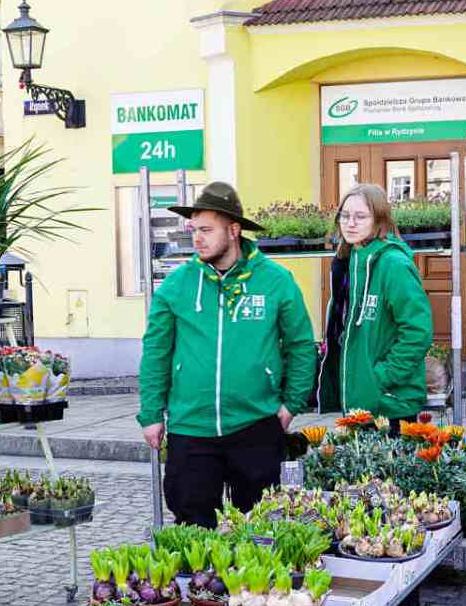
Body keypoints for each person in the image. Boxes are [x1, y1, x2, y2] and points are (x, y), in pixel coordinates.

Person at [138, 182, 317, 528]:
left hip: (255, 425)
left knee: (260, 527)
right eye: (194, 230)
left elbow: (300, 346)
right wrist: (151, 413)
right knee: (192, 527)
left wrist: (291, 405)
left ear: (233, 230)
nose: (197, 238)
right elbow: (156, 352)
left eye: (206, 230)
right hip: (191, 427)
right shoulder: (176, 285)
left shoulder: (276, 281)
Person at [314, 183, 434, 424]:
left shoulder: (394, 264)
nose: (350, 223)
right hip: (360, 403)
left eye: (360, 216)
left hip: (391, 405)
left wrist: (380, 377)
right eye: (345, 216)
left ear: (379, 220)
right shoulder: (347, 262)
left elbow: (418, 332)